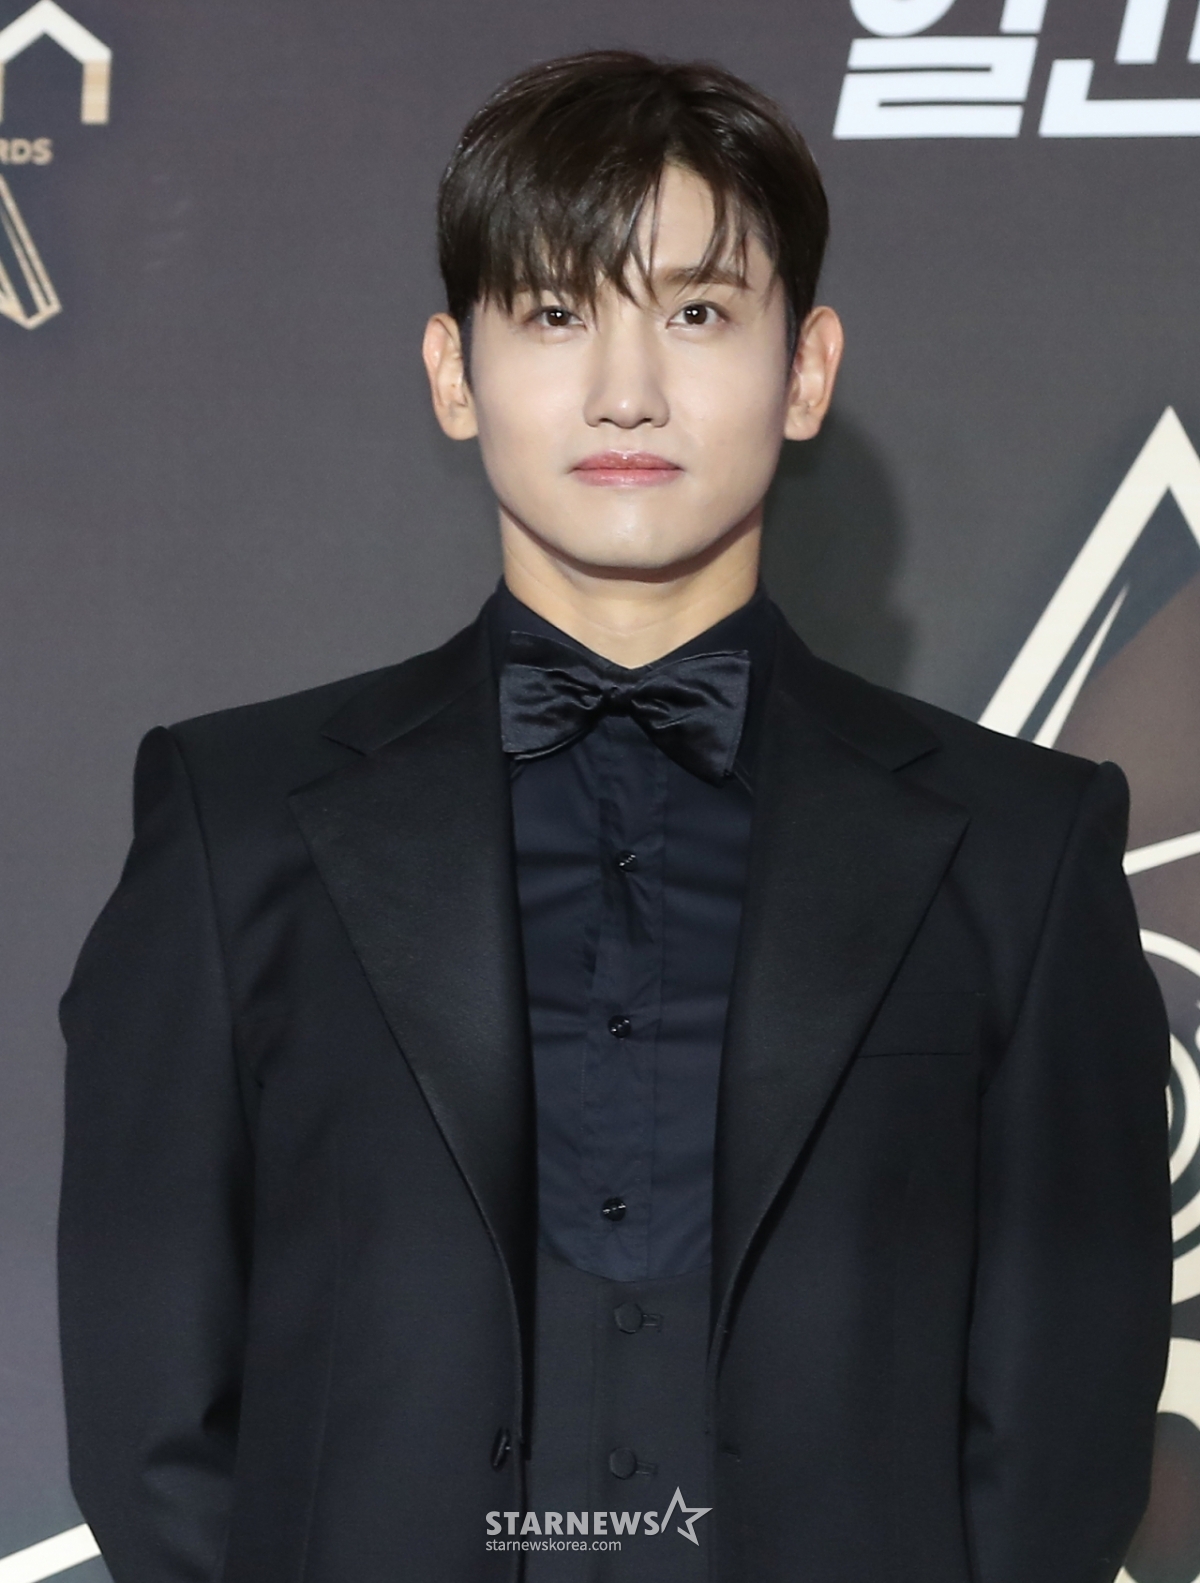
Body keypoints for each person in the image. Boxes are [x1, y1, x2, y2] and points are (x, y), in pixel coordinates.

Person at [57, 49, 1172, 1583]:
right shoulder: (232, 822)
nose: (626, 391)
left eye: (698, 313)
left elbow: (1063, 1428)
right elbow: (150, 1402)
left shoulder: (1020, 851)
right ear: (454, 371)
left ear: (806, 370)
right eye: (555, 312)